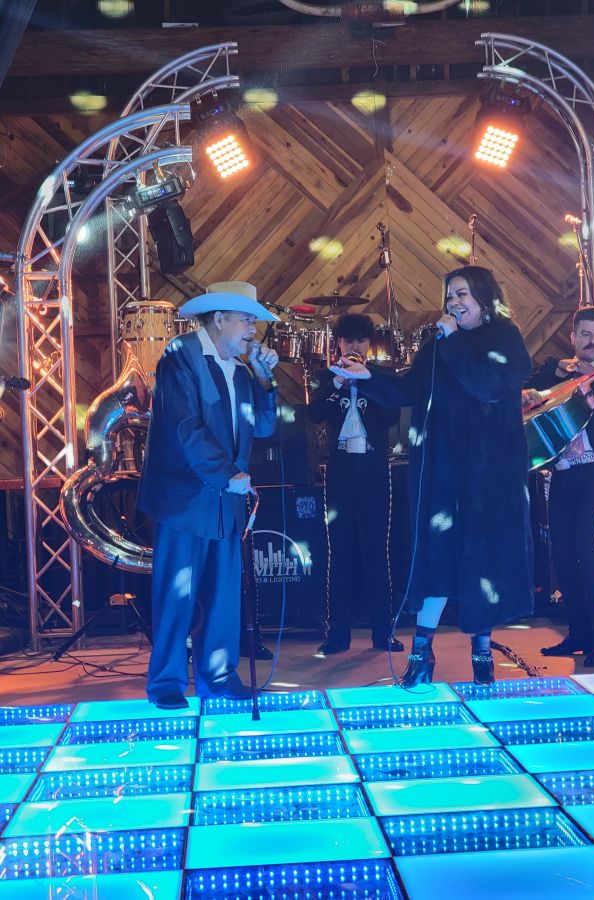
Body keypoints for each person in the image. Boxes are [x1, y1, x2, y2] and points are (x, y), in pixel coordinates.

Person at [332, 266, 534, 685]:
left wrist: (454, 340)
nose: (454, 303)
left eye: (462, 294)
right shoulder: (439, 343)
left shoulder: (505, 338)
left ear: (484, 297)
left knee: (481, 561)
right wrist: (367, 378)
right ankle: (421, 655)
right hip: (442, 469)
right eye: (450, 296)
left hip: (488, 475)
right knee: (436, 558)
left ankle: (482, 654)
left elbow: (486, 385)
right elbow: (410, 390)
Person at [137, 281, 279, 709]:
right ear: (219, 319)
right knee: (177, 594)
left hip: (225, 500)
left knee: (222, 596)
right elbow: (184, 426)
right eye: (246, 320)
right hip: (186, 498)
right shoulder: (181, 354)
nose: (253, 330)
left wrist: (266, 378)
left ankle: (218, 675)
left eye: (253, 321)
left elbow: (264, 427)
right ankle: (166, 683)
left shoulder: (241, 369)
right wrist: (227, 474)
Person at [525, 306, 594, 667]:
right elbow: (526, 392)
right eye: (586, 334)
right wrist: (535, 389)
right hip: (560, 473)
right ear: (573, 337)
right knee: (562, 559)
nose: (593, 341)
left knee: (592, 558)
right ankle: (579, 634)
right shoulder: (557, 371)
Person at [307, 313, 403, 655]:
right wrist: (338, 383)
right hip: (341, 470)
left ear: (369, 343)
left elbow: (392, 416)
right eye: (349, 340)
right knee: (339, 552)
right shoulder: (325, 377)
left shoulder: (381, 376)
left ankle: (383, 633)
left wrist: (366, 381)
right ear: (338, 343)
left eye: (361, 340)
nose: (355, 346)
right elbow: (314, 414)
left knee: (378, 551)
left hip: (374, 469)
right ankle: (337, 634)